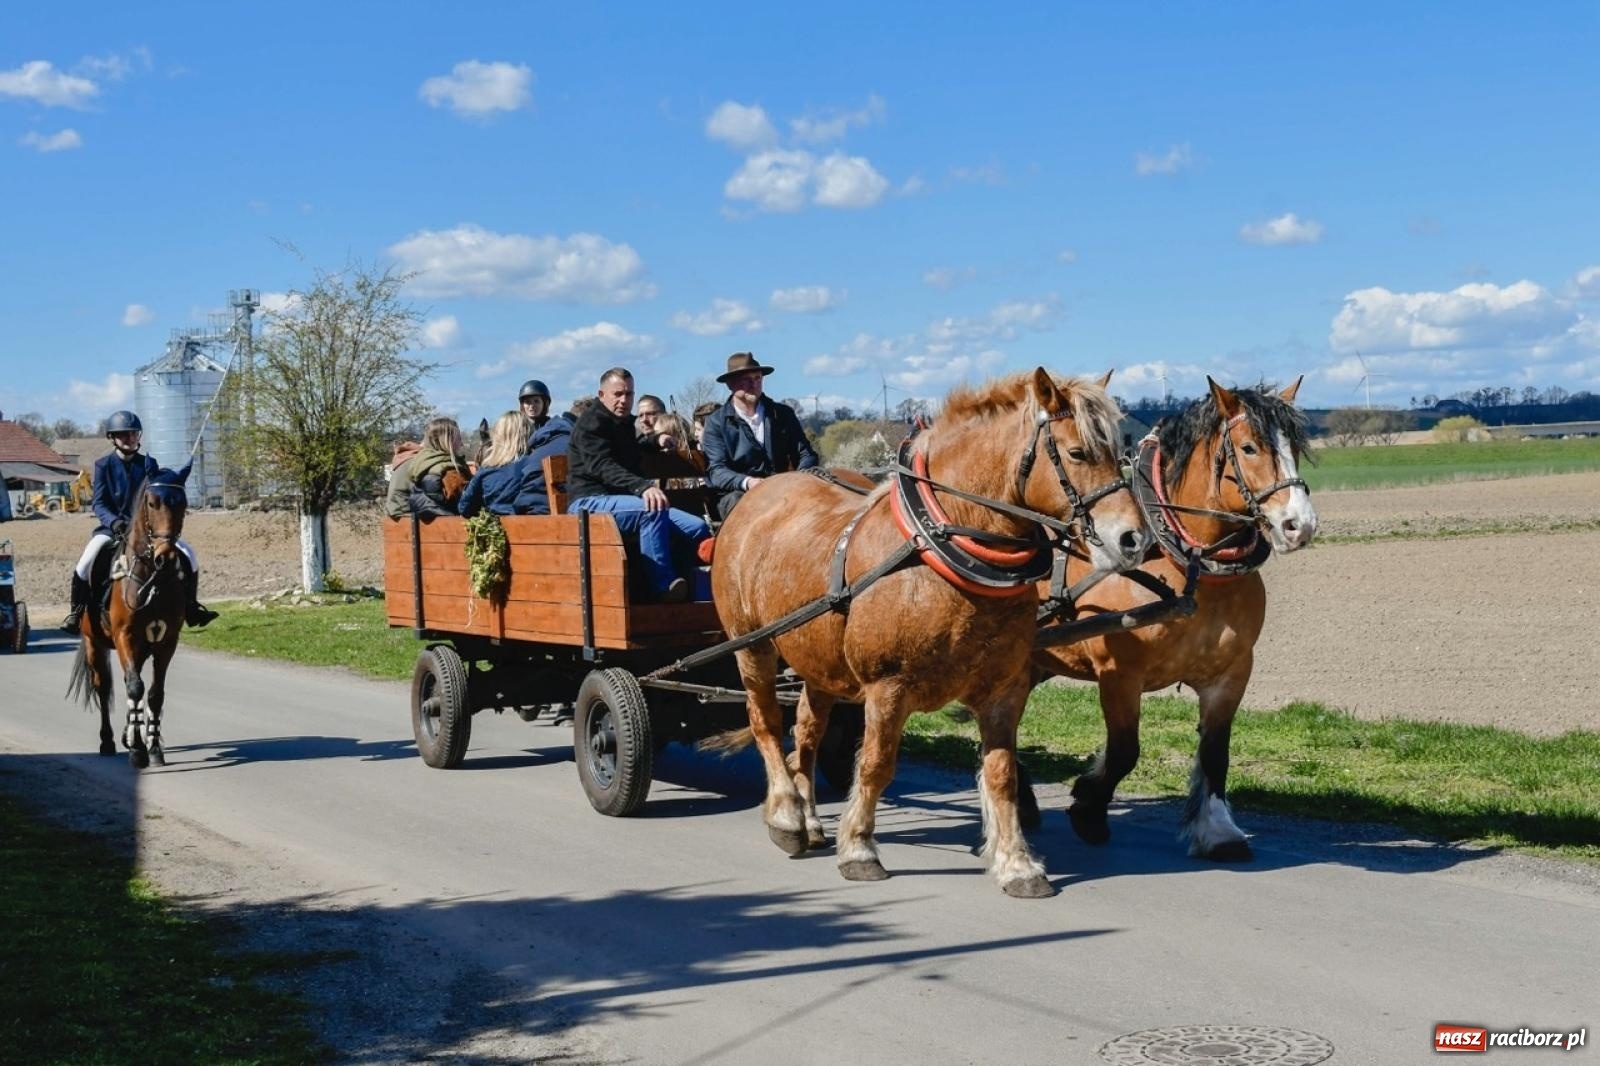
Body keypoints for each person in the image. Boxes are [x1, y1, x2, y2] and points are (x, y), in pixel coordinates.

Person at [59, 410, 217, 632]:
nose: (130, 439)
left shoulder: (149, 464)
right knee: (85, 562)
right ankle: (76, 612)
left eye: (133, 434)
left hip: (147, 530)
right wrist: (114, 522)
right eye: (123, 435)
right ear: (113, 438)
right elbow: (99, 503)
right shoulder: (103, 465)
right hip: (112, 528)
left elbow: (157, 497)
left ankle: (191, 607)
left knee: (189, 555)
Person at [567, 368, 711, 602]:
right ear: (601, 394)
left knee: (695, 527)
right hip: (589, 502)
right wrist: (642, 487)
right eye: (618, 394)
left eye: (629, 394)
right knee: (651, 509)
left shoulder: (622, 422)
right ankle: (663, 588)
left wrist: (658, 439)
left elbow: (638, 443)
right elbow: (602, 466)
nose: (624, 400)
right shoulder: (591, 424)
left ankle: (694, 597)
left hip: (622, 503)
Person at [699, 352, 819, 521]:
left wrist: (798, 480)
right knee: (742, 503)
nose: (754, 384)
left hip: (783, 491)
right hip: (736, 495)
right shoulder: (717, 422)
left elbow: (806, 454)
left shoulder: (782, 414)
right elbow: (717, 471)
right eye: (746, 380)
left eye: (757, 378)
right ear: (730, 384)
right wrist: (748, 482)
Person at [385, 416, 469, 518]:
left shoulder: (417, 460)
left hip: (401, 516)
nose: (461, 444)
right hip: (412, 518)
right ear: (446, 441)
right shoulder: (436, 464)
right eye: (458, 439)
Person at [457, 412, 530, 518]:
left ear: (498, 435)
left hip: (493, 529)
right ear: (526, 433)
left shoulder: (486, 468)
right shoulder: (533, 464)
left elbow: (464, 508)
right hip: (529, 527)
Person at [519, 379, 552, 446]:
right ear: (522, 406)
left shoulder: (553, 428)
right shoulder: (517, 429)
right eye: (528, 402)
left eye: (536, 401)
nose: (532, 406)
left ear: (544, 404)